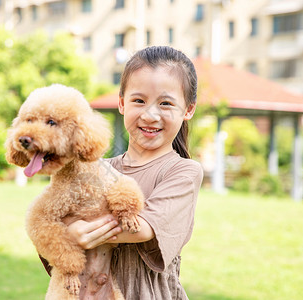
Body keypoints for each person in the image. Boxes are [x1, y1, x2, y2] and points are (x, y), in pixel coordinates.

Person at [67, 46, 203, 299]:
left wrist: (76, 229)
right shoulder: (97, 169)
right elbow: (55, 214)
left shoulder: (183, 171)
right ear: (121, 103)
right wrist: (67, 233)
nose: (150, 115)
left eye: (165, 104)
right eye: (138, 101)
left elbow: (139, 229)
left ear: (188, 110)